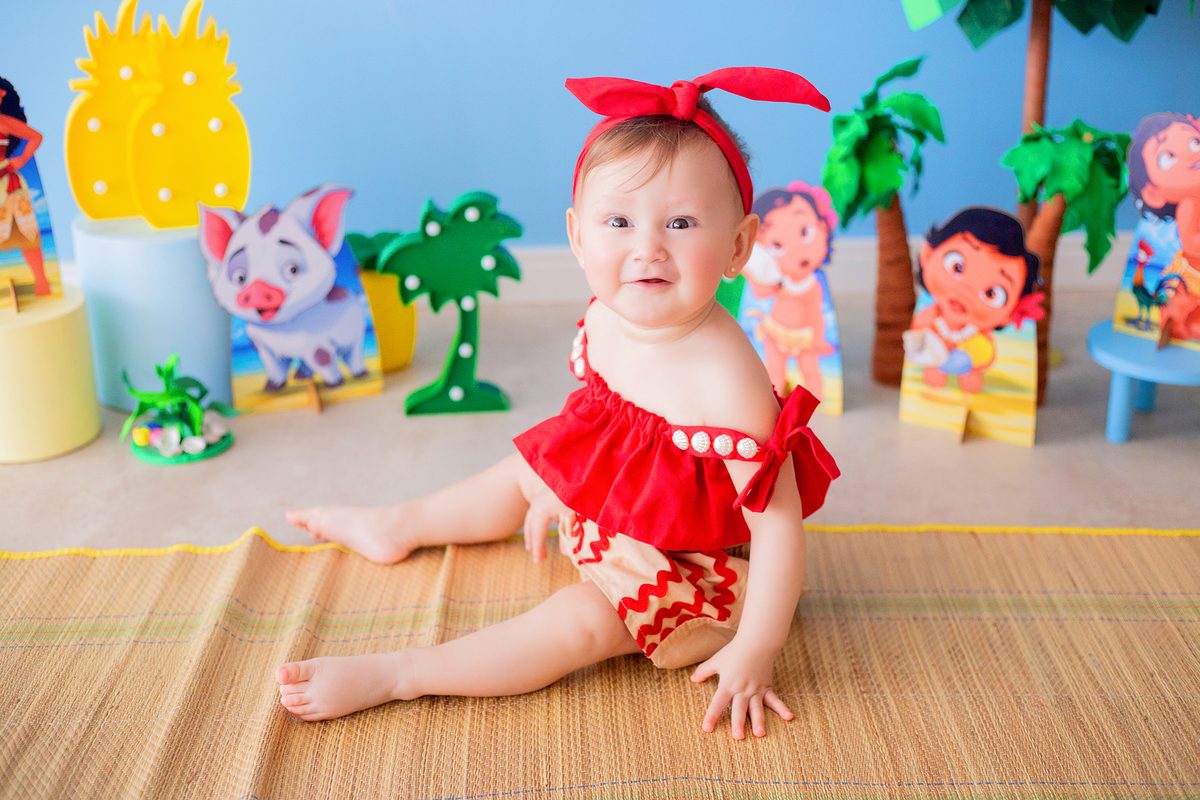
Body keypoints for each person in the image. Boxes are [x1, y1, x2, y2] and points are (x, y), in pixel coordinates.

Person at [275, 68, 840, 740]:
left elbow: (778, 528)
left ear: (739, 246)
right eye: (619, 222)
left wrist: (757, 647)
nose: (647, 248)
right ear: (577, 236)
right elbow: (596, 431)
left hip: (699, 563)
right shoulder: (608, 314)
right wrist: (566, 491)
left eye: (682, 222)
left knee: (580, 619)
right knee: (527, 467)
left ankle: (403, 673)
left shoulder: (726, 381)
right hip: (627, 503)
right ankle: (402, 522)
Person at [903, 207, 1043, 394]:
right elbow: (918, 332)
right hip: (933, 360)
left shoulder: (979, 334)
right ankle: (935, 370)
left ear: (1010, 313)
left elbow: (988, 355)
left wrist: (975, 359)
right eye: (957, 267)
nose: (966, 292)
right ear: (928, 256)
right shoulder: (931, 316)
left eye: (992, 293)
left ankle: (969, 374)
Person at [742, 182, 838, 399]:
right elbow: (761, 291)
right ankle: (771, 404)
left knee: (810, 371)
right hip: (775, 331)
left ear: (823, 228)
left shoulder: (812, 286)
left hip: (803, 337)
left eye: (805, 232)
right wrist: (748, 270)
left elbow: (816, 314)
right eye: (777, 245)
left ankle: (814, 402)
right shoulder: (776, 281)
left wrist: (819, 338)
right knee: (774, 371)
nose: (797, 251)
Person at [1128, 112, 1200, 339]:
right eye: (1168, 156)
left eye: (1195, 142)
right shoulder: (1190, 205)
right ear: (1152, 193)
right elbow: (1193, 241)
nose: (1190, 154)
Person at [0, 78, 49, 297]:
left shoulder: (5, 122)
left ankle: (41, 282)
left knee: (25, 234)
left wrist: (22, 159)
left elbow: (35, 137)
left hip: (7, 185)